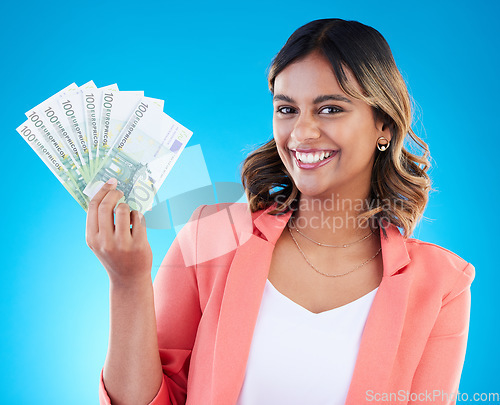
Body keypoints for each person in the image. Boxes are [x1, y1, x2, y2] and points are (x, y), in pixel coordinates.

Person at [87, 19, 475, 405]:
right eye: (287, 109)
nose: (302, 133)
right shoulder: (210, 237)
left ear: (384, 127)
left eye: (330, 109)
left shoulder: (441, 286)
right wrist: (128, 282)